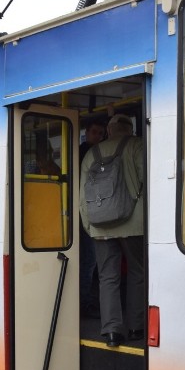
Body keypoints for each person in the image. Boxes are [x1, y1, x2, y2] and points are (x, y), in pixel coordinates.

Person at [79, 114, 145, 348]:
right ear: (130, 128)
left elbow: (82, 196)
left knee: (107, 276)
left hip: (100, 226)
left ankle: (111, 331)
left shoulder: (91, 154)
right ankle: (137, 327)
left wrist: (89, 226)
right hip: (133, 224)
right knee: (137, 272)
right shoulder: (137, 145)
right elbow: (147, 179)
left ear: (109, 130)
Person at [78, 119, 107, 317]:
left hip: (90, 211)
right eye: (95, 132)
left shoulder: (91, 152)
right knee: (88, 261)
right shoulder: (86, 154)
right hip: (86, 212)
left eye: (100, 133)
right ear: (86, 132)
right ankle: (84, 302)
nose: (98, 137)